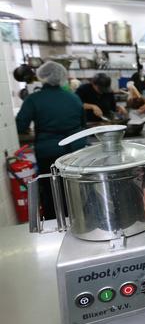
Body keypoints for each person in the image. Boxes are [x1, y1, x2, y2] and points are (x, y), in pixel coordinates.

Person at [15, 61, 87, 219]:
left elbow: (20, 126)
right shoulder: (73, 97)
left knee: (51, 191)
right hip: (76, 152)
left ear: (42, 77)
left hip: (49, 152)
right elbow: (83, 123)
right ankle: (81, 219)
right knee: (76, 190)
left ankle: (55, 224)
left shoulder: (34, 99)